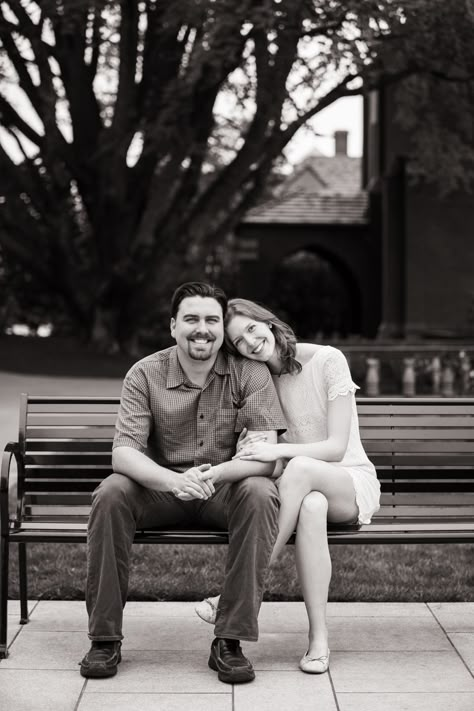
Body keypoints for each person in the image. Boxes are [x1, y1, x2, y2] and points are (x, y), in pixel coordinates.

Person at [80, 283, 287, 684]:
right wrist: (175, 482)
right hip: (161, 491)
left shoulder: (250, 372)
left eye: (212, 320)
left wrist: (217, 473)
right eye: (191, 319)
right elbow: (123, 454)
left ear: (222, 331)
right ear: (173, 325)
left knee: (261, 494)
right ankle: (104, 639)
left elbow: (266, 459)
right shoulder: (144, 373)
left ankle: (229, 640)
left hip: (223, 490)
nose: (202, 329)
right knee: (110, 492)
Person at [195, 298, 380, 674]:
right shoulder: (262, 381)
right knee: (310, 505)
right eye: (238, 342)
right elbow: (277, 460)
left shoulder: (328, 360)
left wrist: (280, 451)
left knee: (298, 471)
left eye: (251, 328)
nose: (249, 342)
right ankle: (318, 642)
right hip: (307, 489)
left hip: (349, 480)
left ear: (269, 322)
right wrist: (256, 451)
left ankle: (235, 593)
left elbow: (335, 447)